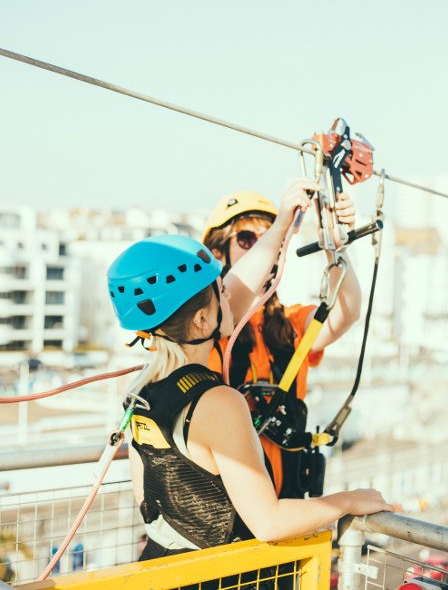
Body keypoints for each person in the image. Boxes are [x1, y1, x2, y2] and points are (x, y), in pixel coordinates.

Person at [107, 209, 393, 580]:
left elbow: (147, 500)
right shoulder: (219, 401)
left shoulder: (142, 392)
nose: (231, 293)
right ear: (200, 320)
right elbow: (268, 522)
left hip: (164, 568)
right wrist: (347, 501)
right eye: (221, 290)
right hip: (224, 575)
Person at [203, 180, 361, 497]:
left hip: (284, 500)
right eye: (248, 239)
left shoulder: (290, 324)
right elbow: (232, 298)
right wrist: (281, 226)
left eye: (270, 240)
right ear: (218, 252)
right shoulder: (205, 324)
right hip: (224, 505)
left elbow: (347, 311)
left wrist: (333, 244)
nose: (264, 249)